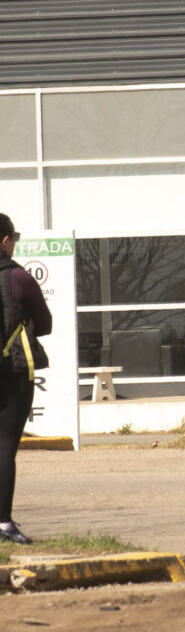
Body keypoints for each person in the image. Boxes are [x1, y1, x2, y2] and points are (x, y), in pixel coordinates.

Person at [0, 214, 52, 545]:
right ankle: (3, 523)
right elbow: (45, 323)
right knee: (4, 446)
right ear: (5, 241)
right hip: (13, 370)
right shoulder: (17, 277)